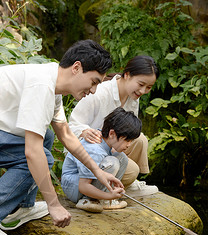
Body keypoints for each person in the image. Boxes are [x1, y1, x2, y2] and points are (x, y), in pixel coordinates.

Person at [0, 40, 123, 235]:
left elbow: (66, 135)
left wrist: (97, 172)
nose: (93, 91)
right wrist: (54, 204)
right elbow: (32, 153)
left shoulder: (52, 83)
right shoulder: (41, 86)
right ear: (76, 68)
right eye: (93, 82)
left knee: (47, 137)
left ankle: (19, 208)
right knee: (37, 156)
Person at [68, 55, 159, 197]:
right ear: (127, 75)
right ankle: (120, 184)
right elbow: (71, 125)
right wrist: (84, 131)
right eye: (141, 84)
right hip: (90, 151)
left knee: (140, 139)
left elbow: (129, 131)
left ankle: (129, 183)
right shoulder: (99, 93)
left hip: (110, 147)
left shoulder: (133, 98)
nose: (143, 91)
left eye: (148, 87)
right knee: (131, 170)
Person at [62, 107, 141, 213]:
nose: (129, 145)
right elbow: (83, 186)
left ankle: (105, 198)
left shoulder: (105, 141)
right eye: (127, 140)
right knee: (112, 162)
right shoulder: (95, 149)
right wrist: (107, 196)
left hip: (81, 185)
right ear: (112, 134)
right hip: (75, 188)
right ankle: (89, 200)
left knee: (122, 158)